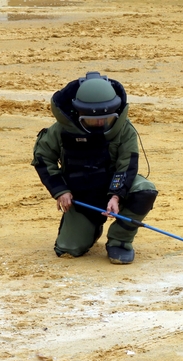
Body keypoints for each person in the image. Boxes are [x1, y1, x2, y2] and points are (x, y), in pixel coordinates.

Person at [31, 71, 158, 264]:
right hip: (81, 196)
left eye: (106, 120)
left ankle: (119, 241)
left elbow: (127, 165)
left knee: (144, 190)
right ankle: (92, 226)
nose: (99, 124)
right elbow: (43, 158)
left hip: (113, 187)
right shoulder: (61, 130)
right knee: (67, 249)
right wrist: (60, 191)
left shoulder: (125, 130)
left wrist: (116, 195)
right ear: (78, 113)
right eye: (92, 120)